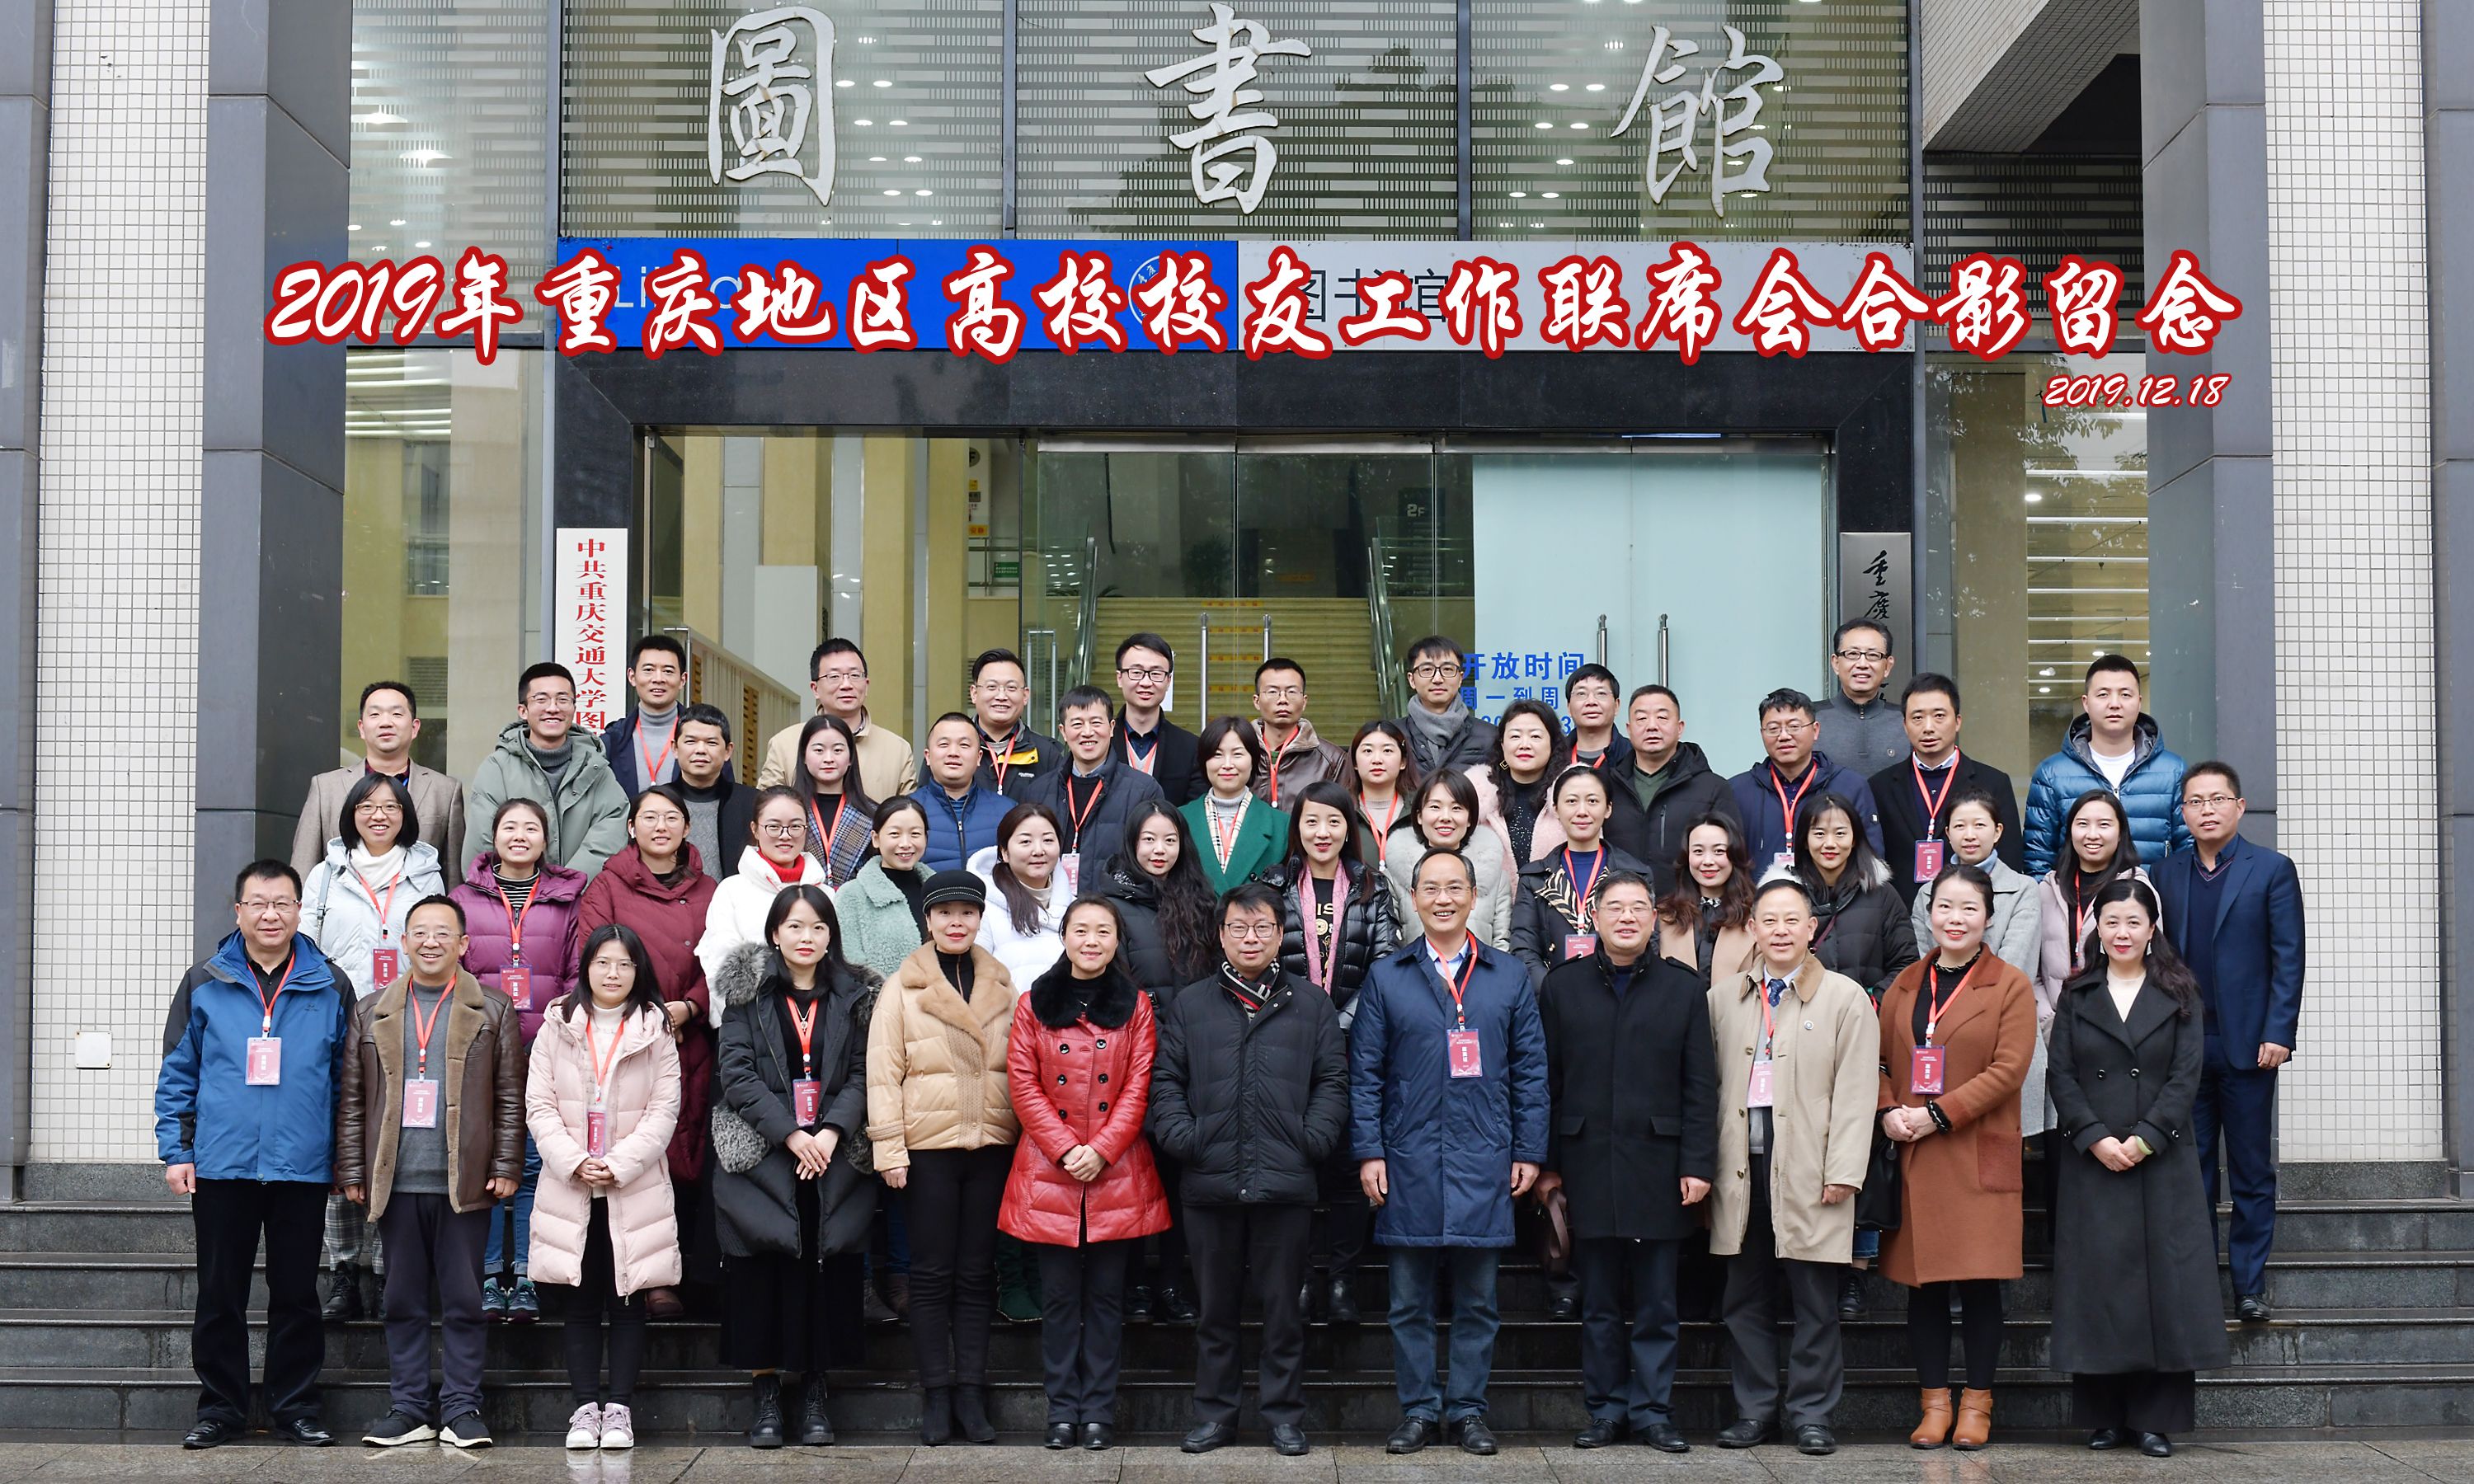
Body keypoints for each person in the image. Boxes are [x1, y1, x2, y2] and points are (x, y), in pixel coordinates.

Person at [1352, 848, 1549, 1457]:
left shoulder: (1507, 976)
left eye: (1455, 887)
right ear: (1414, 899)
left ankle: (1466, 1411)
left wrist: (1529, 1149)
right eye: (1431, 888)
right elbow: (1365, 1073)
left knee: (1478, 1302)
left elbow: (1531, 1072)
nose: (1443, 899)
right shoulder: (1389, 976)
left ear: (1474, 896)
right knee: (1408, 1302)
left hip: (1484, 1156)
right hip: (1407, 1158)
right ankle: (1418, 1411)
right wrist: (1369, 1151)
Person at [156, 861, 353, 1450]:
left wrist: (344, 1157)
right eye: (259, 904)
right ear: (238, 910)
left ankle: (296, 1408)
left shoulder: (330, 982)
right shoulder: (205, 981)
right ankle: (221, 1409)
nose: (271, 915)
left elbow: (347, 1082)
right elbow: (179, 1073)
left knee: (297, 1295)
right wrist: (177, 1150)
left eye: (282, 903)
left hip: (302, 1165)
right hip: (222, 1164)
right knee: (220, 1295)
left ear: (299, 910)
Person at [1148, 883, 1349, 1457]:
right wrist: (1185, 1138)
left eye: (1263, 928)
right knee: (1215, 1313)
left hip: (1285, 1181)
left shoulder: (1311, 1004)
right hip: (1209, 1181)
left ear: (1281, 934)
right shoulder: (1192, 1004)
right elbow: (1166, 1082)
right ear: (1221, 935)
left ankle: (1284, 1416)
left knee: (1284, 1312)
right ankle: (1216, 1416)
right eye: (1239, 927)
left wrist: (1311, 1140)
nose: (1251, 938)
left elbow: (1333, 1082)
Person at [2047, 877, 2229, 1457]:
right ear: (2096, 929)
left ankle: (2155, 1419)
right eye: (2112, 922)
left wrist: (2145, 1139)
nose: (2122, 933)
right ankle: (2103, 1416)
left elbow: (2186, 1077)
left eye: (2133, 922)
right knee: (2099, 1284)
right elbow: (2061, 1075)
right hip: (2094, 1159)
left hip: (2161, 1158)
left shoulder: (2180, 993)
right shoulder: (2077, 993)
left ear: (2153, 930)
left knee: (2163, 1286)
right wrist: (2095, 1138)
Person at [1534, 871, 1715, 1452]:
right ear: (1595, 915)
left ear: (1653, 918)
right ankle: (1606, 1409)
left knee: (1658, 1302)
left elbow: (1700, 1085)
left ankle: (1653, 1411)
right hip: (1586, 1163)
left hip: (1660, 1166)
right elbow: (1548, 1082)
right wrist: (1547, 1164)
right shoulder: (1562, 987)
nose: (1628, 917)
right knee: (1600, 1303)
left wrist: (1698, 1163)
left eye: (1639, 907)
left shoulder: (1682, 988)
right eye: (1616, 907)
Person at [338, 895, 524, 1450]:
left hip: (463, 1180)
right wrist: (352, 1167)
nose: (431, 942)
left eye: (443, 932)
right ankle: (410, 1408)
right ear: (404, 941)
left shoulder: (492, 1009)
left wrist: (506, 1163)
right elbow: (351, 1100)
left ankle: (462, 1407)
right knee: (402, 1300)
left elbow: (509, 1096)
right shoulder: (371, 1011)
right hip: (396, 1181)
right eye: (420, 932)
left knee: (465, 1301)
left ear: (463, 943)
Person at [1707, 876, 1879, 1457]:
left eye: (1792, 920)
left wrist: (1845, 1170)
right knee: (1744, 1297)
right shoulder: (1723, 999)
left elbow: (1857, 1092)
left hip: (1811, 1167)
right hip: (1740, 1167)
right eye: (1769, 921)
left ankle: (1812, 1415)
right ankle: (1755, 1411)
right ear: (1752, 929)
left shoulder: (1845, 998)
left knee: (1814, 1299)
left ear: (1812, 928)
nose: (1780, 931)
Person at [999, 896, 1171, 1451]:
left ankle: (1098, 1411)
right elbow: (1022, 1082)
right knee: (1058, 1300)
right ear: (1065, 937)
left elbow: (1139, 1084)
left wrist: (1101, 1149)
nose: (1091, 940)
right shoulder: (1033, 1003)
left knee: (1105, 1299)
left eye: (1102, 931)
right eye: (1081, 930)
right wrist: (1064, 1148)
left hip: (1114, 1170)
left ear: (1117, 940)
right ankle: (1061, 1412)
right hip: (1049, 1170)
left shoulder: (1135, 1006)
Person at [713, 885, 881, 1448]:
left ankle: (814, 1393)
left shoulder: (856, 996)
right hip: (764, 1154)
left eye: (817, 927)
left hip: (834, 1155)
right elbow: (736, 1074)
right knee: (761, 1273)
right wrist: (790, 1133)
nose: (806, 937)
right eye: (794, 926)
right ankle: (765, 1395)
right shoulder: (747, 993)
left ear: (832, 935)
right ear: (775, 934)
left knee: (824, 1270)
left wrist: (830, 1131)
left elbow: (865, 1072)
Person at [1876, 866, 2037, 1450]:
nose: (1956, 919)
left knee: (1979, 1288)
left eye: (1969, 908)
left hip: (1974, 1151)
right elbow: (1879, 1060)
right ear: (1929, 913)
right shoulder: (1905, 984)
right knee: (1923, 1290)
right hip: (1916, 1155)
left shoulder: (2010, 984)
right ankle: (1934, 1403)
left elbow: (2009, 1070)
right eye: (1945, 906)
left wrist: (1938, 1115)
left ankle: (1977, 1404)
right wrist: (1886, 1109)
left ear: (1988, 918)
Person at [867, 871, 1022, 1445]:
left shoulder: (1001, 982)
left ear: (980, 918)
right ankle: (936, 1393)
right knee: (931, 1276)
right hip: (927, 1148)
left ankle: (971, 1394)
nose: (957, 922)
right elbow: (882, 1072)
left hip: (991, 1145)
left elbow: (1018, 1065)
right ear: (927, 920)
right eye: (945, 913)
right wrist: (890, 1149)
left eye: (967, 912)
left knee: (978, 1274)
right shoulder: (902, 987)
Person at [2153, 762, 2306, 1323]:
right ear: (2184, 812)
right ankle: (2196, 1288)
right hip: (2185, 1046)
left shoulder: (2272, 870)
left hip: (2249, 1048)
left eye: (2218, 799)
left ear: (2239, 806)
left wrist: (2278, 1031)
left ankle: (2249, 1287)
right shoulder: (2165, 873)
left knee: (2250, 1171)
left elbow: (2289, 958)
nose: (2207, 810)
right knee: (2189, 1172)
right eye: (2196, 801)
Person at [526, 924, 683, 1453]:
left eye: (624, 964)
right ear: (585, 967)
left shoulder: (655, 1029)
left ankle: (619, 1409)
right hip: (569, 1185)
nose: (613, 974)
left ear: (639, 971)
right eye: (603, 963)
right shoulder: (557, 1024)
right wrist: (574, 1162)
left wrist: (618, 1164)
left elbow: (665, 1110)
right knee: (580, 1300)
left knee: (628, 1298)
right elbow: (539, 1106)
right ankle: (584, 1408)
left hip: (632, 1186)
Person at [301, 771, 447, 1321]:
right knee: (344, 1145)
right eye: (367, 806)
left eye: (390, 806)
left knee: (396, 1146)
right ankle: (344, 1270)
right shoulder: (326, 874)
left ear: (406, 814)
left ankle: (390, 1271)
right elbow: (306, 948)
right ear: (351, 815)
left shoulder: (427, 873)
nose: (379, 815)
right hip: (340, 1022)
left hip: (409, 1024)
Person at [575, 785, 719, 1317]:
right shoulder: (607, 886)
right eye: (650, 818)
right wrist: (649, 1013)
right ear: (631, 827)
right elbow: (594, 957)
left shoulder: (710, 890)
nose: (661, 827)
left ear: (687, 828)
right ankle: (637, 1276)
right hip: (628, 1040)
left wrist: (690, 1007)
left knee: (689, 1151)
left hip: (692, 1035)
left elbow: (721, 960)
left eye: (672, 818)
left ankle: (685, 1274)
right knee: (636, 1151)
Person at [1267, 781, 1402, 1322]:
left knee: (1348, 1169)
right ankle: (1301, 1278)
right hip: (1284, 1048)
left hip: (1354, 1049)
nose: (1322, 832)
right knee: (1295, 1169)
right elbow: (1264, 961)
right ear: (1297, 828)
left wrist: (1333, 1024)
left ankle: (1343, 1279)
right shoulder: (1271, 885)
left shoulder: (1373, 887)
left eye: (1334, 821)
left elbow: (1385, 968)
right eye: (1311, 821)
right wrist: (1305, 1024)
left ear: (1350, 829)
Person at [452, 797, 587, 1322]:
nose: (520, 836)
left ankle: (527, 1274)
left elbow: (576, 970)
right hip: (483, 1050)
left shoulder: (566, 899)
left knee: (533, 1165)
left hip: (545, 1048)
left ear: (545, 839)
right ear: (494, 836)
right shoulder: (463, 898)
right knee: (489, 1162)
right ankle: (490, 1275)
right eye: (510, 826)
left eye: (531, 828)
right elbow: (457, 970)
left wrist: (558, 1026)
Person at [1097, 800, 1215, 1325]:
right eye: (1148, 839)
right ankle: (1134, 1285)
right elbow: (1115, 989)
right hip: (1132, 1064)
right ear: (1131, 844)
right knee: (1130, 1178)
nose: (1159, 850)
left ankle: (1171, 1281)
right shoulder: (1110, 906)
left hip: (1192, 1064)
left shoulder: (1203, 900)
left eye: (1169, 840)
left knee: (1177, 1178)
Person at [2024, 655, 2190, 876]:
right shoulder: (2052, 773)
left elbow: (2188, 850)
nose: (2114, 704)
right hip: (2076, 897)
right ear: (2086, 703)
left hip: (2154, 895)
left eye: (2125, 694)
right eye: (2103, 694)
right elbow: (2038, 857)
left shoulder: (2173, 770)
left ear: (2139, 702)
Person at [464, 662, 631, 880]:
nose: (553, 708)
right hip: (513, 896)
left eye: (563, 699)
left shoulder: (596, 768)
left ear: (574, 708)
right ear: (523, 711)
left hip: (583, 895)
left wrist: (567, 886)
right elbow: (483, 843)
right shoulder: (498, 769)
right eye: (541, 699)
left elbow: (609, 835)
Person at [1869, 674, 2024, 908]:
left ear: (1958, 721)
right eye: (1917, 718)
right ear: (1905, 725)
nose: (1928, 727)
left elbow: (2009, 859)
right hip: (1901, 916)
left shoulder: (1993, 783)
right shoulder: (1880, 786)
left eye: (1939, 716)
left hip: (1970, 916)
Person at [293, 679, 467, 881]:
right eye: (375, 714)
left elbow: (454, 878)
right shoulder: (326, 788)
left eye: (396, 714)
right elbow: (303, 868)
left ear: (415, 727)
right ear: (361, 728)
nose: (386, 722)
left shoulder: (445, 791)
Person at [1510, 767, 1655, 989]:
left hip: (1620, 994)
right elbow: (1524, 949)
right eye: (1571, 801)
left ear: (1608, 809)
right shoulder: (1534, 878)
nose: (1582, 811)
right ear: (1556, 809)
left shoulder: (1636, 875)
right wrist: (1554, 992)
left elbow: (1649, 942)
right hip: (1553, 997)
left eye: (1592, 801)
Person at [1020, 684, 1165, 887]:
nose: (1087, 732)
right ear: (1063, 731)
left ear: (1112, 728)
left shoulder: (1144, 791)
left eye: (1096, 722)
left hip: (1116, 905)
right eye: (1077, 724)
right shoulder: (1038, 791)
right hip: (1050, 903)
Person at [698, 787, 830, 1007]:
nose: (785, 835)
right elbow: (720, 967)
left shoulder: (826, 894)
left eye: (795, 826)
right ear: (755, 829)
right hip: (751, 1018)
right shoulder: (731, 891)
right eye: (774, 826)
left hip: (818, 1016)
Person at [1602, 685, 1740, 894]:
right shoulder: (1607, 786)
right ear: (1629, 729)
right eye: (1641, 719)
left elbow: (1733, 859)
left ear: (1680, 727)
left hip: (1688, 909)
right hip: (1623, 907)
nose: (1652, 726)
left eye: (1662, 718)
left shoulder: (1713, 788)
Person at [1729, 688, 1884, 872]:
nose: (1784, 736)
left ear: (1815, 730)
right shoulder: (1738, 790)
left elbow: (1870, 860)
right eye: (1773, 729)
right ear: (1762, 733)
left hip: (1833, 891)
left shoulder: (1851, 787)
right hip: (1759, 891)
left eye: (1794, 726)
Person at [1907, 787, 2043, 979]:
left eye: (1979, 825)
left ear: (1997, 832)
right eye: (1960, 826)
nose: (1969, 835)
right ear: (1948, 834)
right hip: (1939, 995)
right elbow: (1921, 963)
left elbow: (2016, 965)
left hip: (2001, 995)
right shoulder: (1927, 893)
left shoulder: (2023, 890)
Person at [759, 638, 916, 803]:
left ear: (866, 685)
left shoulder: (898, 750)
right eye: (834, 676)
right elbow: (765, 808)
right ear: (815, 689)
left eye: (855, 675)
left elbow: (910, 813)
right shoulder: (784, 744)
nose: (846, 685)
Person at [1794, 793, 1919, 999]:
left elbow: (1907, 963)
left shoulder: (1881, 894)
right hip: (1801, 1012)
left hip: (1865, 1013)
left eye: (1840, 833)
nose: (1830, 843)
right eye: (1819, 834)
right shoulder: (1787, 895)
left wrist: (1872, 1003)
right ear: (1805, 841)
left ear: (1854, 839)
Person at [1381, 769, 1515, 951]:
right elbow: (1389, 946)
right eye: (1435, 807)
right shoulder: (1393, 878)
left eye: (1457, 808)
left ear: (1470, 818)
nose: (1445, 817)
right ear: (1419, 816)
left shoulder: (1497, 878)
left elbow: (1502, 943)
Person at [1181, 716, 1285, 893]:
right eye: (1217, 755)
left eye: (1237, 754)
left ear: (1253, 759)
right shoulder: (1180, 820)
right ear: (1204, 761)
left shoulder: (1282, 825)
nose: (1227, 765)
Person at [974, 802, 1072, 987]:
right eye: (1026, 842)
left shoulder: (1075, 908)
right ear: (1005, 852)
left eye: (1048, 840)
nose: (1039, 851)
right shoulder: (983, 908)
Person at [835, 796, 934, 979]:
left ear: (926, 838)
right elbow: (848, 964)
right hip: (880, 996)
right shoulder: (852, 896)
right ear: (876, 839)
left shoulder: (939, 892)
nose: (906, 844)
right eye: (895, 834)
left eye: (915, 834)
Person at [1655, 814, 1758, 985]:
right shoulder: (1665, 915)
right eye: (1698, 851)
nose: (1708, 861)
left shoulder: (1757, 915)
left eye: (1719, 851)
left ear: (1735, 855)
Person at [670, 704, 761, 886]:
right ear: (675, 748)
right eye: (691, 742)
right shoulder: (656, 803)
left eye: (711, 743)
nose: (700, 750)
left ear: (728, 751)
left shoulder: (754, 803)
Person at [914, 711, 1014, 874]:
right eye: (944, 744)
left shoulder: (1007, 812)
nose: (953, 752)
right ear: (928, 756)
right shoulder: (907, 811)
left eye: (964, 745)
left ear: (979, 757)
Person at [1111, 632, 1202, 805]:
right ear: (1119, 678)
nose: (1146, 682)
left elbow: (1193, 810)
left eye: (1156, 673)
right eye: (1136, 672)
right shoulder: (1101, 742)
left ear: (1168, 681)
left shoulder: (1191, 748)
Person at [1250, 657, 1351, 807]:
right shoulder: (1238, 753)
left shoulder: (1332, 760)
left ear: (1304, 701)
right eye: (1272, 692)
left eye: (1291, 692)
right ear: (1257, 701)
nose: (1282, 700)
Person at [790, 715, 877, 887]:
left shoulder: (873, 814)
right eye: (819, 750)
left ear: (851, 758)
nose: (829, 758)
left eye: (837, 750)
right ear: (804, 756)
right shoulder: (787, 811)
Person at [1391, 635, 1495, 777]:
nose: (1437, 679)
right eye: (1427, 670)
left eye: (1447, 669)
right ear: (1411, 680)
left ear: (1460, 678)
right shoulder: (1392, 735)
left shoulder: (1490, 737)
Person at [1813, 619, 1906, 777]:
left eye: (1873, 655)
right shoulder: (1809, 719)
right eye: (1852, 654)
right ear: (1836, 663)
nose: (1862, 664)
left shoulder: (1907, 721)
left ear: (1887, 666)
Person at [601, 634, 690, 797]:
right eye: (649, 670)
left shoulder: (705, 738)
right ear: (632, 677)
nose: (658, 679)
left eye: (668, 671)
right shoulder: (612, 741)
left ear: (682, 680)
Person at [1475, 698, 1561, 864]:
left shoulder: (1570, 793)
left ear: (1552, 743)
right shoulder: (1478, 795)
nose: (1524, 745)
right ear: (1502, 744)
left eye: (1535, 736)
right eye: (1515, 736)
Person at [970, 647, 1063, 797]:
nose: (1001, 696)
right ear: (974, 693)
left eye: (1011, 687)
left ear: (1025, 695)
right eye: (992, 687)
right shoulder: (952, 750)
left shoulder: (1047, 754)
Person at [1348, 719, 1422, 866]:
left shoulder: (1421, 808)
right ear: (1355, 762)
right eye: (1368, 751)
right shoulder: (1341, 810)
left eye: (1387, 751)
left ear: (1403, 762)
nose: (1377, 760)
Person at [1561, 664, 1632, 774]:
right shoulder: (1553, 757)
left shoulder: (1634, 755)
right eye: (1581, 694)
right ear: (1569, 707)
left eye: (1601, 693)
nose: (1591, 702)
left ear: (1616, 706)